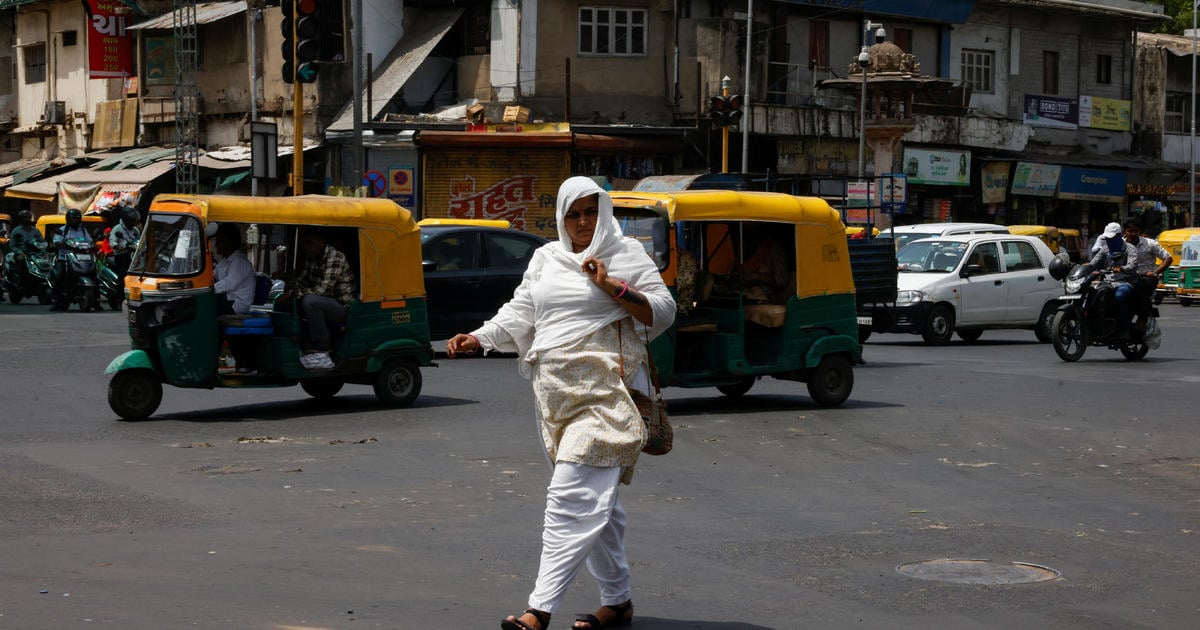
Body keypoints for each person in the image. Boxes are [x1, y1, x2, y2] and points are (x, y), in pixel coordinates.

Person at [445, 176, 674, 630]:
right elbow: (521, 310)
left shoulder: (626, 255)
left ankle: (539, 608)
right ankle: (619, 600)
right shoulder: (546, 258)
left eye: (591, 211)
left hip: (610, 392)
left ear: (604, 212)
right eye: (574, 214)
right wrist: (481, 337)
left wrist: (613, 287)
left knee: (571, 495)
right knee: (597, 500)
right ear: (561, 218)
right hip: (555, 396)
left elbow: (663, 310)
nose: (583, 222)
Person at [282, 229, 356, 370]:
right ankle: (303, 343)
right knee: (292, 303)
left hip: (343, 307)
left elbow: (322, 290)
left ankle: (322, 348)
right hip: (326, 304)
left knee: (310, 301)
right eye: (304, 244)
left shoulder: (335, 258)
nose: (306, 247)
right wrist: (290, 291)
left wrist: (294, 294)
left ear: (322, 243)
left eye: (310, 243)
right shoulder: (312, 258)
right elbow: (301, 281)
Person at [1087, 221, 1140, 339]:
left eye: (1111, 238)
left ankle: (1124, 327)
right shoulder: (1104, 249)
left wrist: (1121, 268)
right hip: (1106, 282)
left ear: (1119, 236)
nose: (1109, 241)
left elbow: (1133, 265)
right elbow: (1093, 264)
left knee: (1121, 295)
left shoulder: (1130, 249)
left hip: (1125, 282)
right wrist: (1081, 268)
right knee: (1091, 294)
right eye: (1107, 238)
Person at [1122, 219, 1171, 328]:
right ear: (1124, 232)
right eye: (1130, 231)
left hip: (1146, 277)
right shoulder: (1119, 244)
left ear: (1139, 231)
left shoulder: (1150, 243)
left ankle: (1142, 317)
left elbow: (1168, 258)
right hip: (1124, 277)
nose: (1133, 234)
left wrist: (1154, 272)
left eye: (1136, 231)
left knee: (1140, 286)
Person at [49, 209, 93, 311]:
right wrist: (60, 244)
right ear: (68, 219)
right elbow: (57, 240)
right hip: (65, 258)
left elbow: (89, 241)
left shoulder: (83, 230)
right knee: (60, 275)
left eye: (77, 218)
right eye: (74, 218)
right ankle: (56, 300)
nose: (76, 221)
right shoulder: (63, 230)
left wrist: (92, 245)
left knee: (93, 272)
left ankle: (95, 300)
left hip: (82, 257)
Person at [737, 224, 789, 304]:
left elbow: (781, 281)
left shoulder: (774, 251)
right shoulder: (747, 248)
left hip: (766, 299)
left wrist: (757, 276)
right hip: (744, 293)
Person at [213, 223, 256, 315]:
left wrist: (209, 289)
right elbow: (213, 275)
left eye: (219, 241)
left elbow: (229, 284)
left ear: (229, 242)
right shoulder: (224, 261)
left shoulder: (240, 261)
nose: (216, 244)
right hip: (227, 300)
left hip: (236, 304)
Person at [108, 207, 141, 277]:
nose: (134, 223)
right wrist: (121, 247)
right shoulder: (117, 228)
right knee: (122, 275)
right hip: (121, 256)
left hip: (133, 256)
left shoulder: (136, 230)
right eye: (132, 221)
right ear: (126, 220)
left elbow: (139, 241)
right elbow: (112, 242)